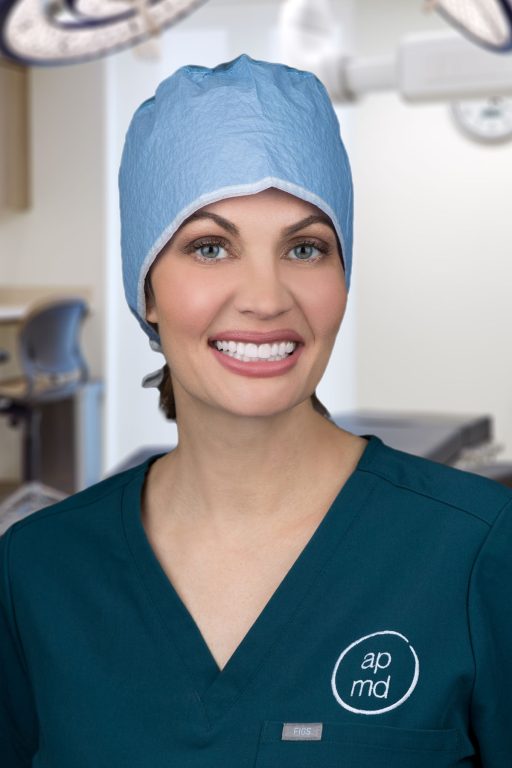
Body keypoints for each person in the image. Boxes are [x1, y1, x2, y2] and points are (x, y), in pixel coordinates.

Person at [1, 55, 511, 768]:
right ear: (146, 289)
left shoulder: (477, 553)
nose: (266, 297)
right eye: (210, 247)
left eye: (305, 248)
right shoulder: (38, 574)